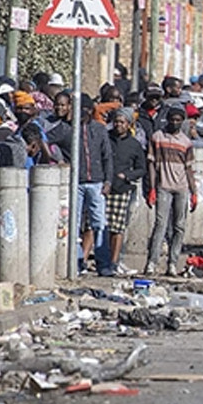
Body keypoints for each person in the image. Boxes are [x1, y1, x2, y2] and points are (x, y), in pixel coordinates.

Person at [145, 105, 195, 276]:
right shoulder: (157, 137)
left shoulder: (186, 142)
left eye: (178, 120)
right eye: (172, 119)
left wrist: (194, 192)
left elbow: (189, 168)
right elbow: (151, 164)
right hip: (163, 187)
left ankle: (172, 263)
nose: (175, 123)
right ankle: (152, 262)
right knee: (160, 224)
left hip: (181, 188)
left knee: (179, 226)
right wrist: (152, 188)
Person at [72, 95, 116, 276]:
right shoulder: (71, 129)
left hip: (97, 182)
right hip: (77, 183)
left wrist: (108, 181)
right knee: (73, 225)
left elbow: (107, 156)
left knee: (99, 224)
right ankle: (76, 262)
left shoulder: (99, 129)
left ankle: (103, 263)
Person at [106, 109, 146, 276]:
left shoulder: (134, 145)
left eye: (122, 122)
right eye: (116, 121)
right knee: (99, 226)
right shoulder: (106, 138)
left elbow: (141, 169)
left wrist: (127, 176)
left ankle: (114, 262)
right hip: (105, 187)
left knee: (118, 228)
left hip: (122, 189)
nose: (118, 125)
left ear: (129, 125)